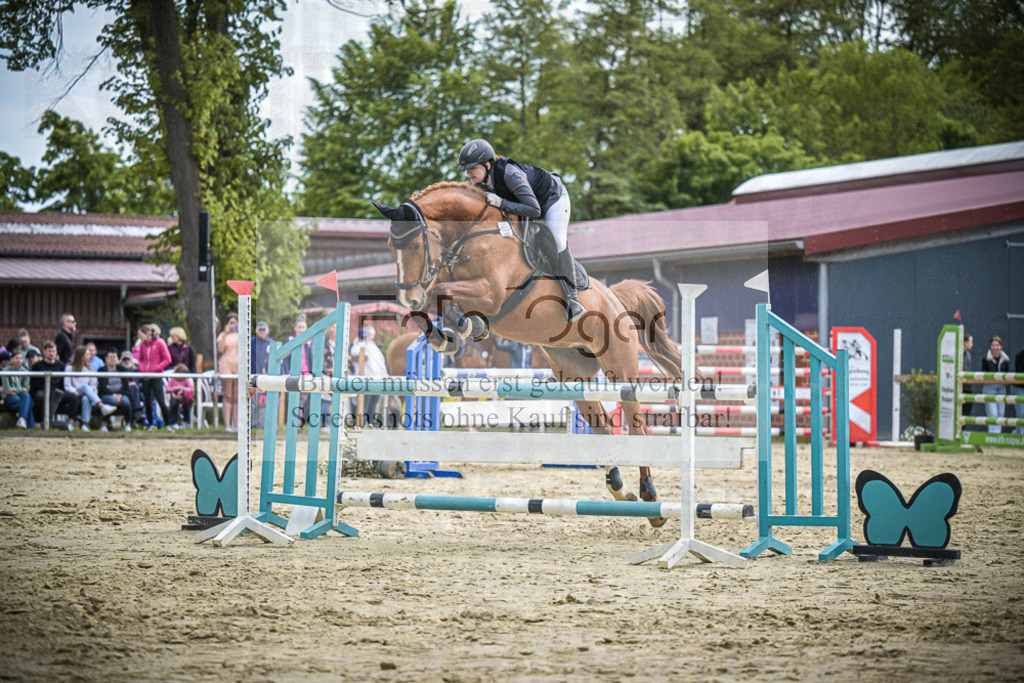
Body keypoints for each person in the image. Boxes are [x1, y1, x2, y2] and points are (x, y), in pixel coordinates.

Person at [458, 138, 586, 322]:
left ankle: (574, 299)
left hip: (551, 199)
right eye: (466, 169)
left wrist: (502, 203)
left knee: (557, 240)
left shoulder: (510, 174)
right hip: (523, 205)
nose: (468, 172)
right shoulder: (479, 184)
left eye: (472, 167)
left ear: (487, 164)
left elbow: (535, 209)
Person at [65, 345, 117, 431]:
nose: (90, 356)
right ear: (81, 356)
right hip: (74, 393)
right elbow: (67, 385)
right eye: (87, 354)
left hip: (87, 394)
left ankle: (85, 424)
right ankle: (102, 406)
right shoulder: (69, 368)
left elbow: (93, 384)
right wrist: (76, 392)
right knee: (85, 387)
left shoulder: (90, 368)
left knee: (86, 398)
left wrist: (87, 391)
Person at [30, 341, 80, 428]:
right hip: (43, 391)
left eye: (53, 351)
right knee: (39, 396)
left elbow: (63, 382)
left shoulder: (61, 365)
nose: (51, 353)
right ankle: (40, 422)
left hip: (58, 392)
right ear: (44, 352)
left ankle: (71, 423)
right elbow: (34, 383)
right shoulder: (37, 366)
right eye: (49, 351)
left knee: (74, 398)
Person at [133, 324, 171, 431]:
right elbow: (140, 360)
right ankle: (150, 424)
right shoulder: (142, 345)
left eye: (140, 334)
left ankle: (168, 424)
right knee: (147, 401)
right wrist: (143, 369)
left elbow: (167, 359)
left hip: (156, 376)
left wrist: (156, 369)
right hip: (146, 377)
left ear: (147, 334)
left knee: (160, 400)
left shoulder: (160, 343)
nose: (139, 336)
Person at [349, 325, 387, 426]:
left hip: (377, 380)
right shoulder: (358, 345)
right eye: (366, 336)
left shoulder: (372, 346)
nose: (367, 338)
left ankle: (370, 425)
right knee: (365, 405)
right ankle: (362, 425)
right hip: (366, 380)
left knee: (373, 405)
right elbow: (355, 352)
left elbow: (380, 363)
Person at [98, 348, 133, 432]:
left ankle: (128, 424)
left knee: (126, 402)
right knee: (112, 401)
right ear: (106, 359)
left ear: (117, 358)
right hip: (106, 394)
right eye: (110, 357)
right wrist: (113, 395)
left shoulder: (122, 369)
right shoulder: (101, 370)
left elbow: (125, 386)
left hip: (121, 394)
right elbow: (102, 387)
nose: (113, 359)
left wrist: (119, 395)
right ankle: (104, 424)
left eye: (114, 357)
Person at [980, 336, 1010, 434]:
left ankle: (997, 439)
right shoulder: (985, 360)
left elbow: (1007, 375)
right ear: (990, 347)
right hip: (989, 388)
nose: (995, 347)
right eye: (993, 345)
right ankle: (992, 440)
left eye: (997, 345)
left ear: (1001, 346)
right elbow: (984, 375)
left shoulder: (1005, 360)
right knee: (993, 414)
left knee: (1000, 414)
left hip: (1001, 388)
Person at [217, 313, 240, 432]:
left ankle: (236, 424)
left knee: (236, 397)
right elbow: (220, 349)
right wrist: (226, 333)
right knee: (228, 395)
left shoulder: (241, 335)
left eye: (235, 323)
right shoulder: (222, 335)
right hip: (226, 365)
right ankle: (227, 424)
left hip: (238, 365)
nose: (233, 325)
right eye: (231, 323)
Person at [2, 349, 34, 429]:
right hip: (8, 397)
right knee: (28, 402)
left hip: (21, 396)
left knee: (26, 396)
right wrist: (21, 390)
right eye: (16, 358)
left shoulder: (26, 371)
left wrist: (15, 390)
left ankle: (22, 419)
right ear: (11, 359)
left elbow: (26, 388)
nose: (18, 360)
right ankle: (30, 427)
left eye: (20, 358)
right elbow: (7, 389)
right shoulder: (5, 371)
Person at [251, 321, 274, 429]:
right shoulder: (251, 342)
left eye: (264, 330)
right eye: (260, 330)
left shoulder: (271, 343)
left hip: (267, 377)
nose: (262, 332)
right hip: (254, 376)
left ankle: (263, 424)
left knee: (264, 402)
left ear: (267, 330)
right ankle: (253, 424)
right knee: (253, 401)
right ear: (256, 331)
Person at [164, 364, 195, 430]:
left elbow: (192, 389)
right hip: (174, 397)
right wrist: (176, 388)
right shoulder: (172, 379)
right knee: (173, 403)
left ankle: (186, 421)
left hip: (184, 398)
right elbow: (167, 389)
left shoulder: (186, 380)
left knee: (190, 402)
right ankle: (174, 422)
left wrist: (183, 389)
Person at [118, 350, 144, 424]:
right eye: (124, 359)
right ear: (121, 361)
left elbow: (142, 384)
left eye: (128, 359)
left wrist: (135, 385)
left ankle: (131, 422)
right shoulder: (119, 371)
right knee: (133, 389)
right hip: (123, 393)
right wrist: (127, 384)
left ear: (132, 360)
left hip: (137, 394)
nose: (127, 361)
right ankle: (137, 412)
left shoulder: (137, 371)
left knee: (134, 388)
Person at [962, 334, 974, 420]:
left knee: (966, 414)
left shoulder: (968, 354)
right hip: (959, 388)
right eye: (971, 342)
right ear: (965, 342)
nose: (972, 344)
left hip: (968, 388)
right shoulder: (957, 353)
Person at [1014, 338, 1024, 436]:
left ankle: (1017, 432)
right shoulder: (1019, 357)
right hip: (1020, 388)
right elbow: (1020, 373)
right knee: (1021, 413)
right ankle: (1020, 436)